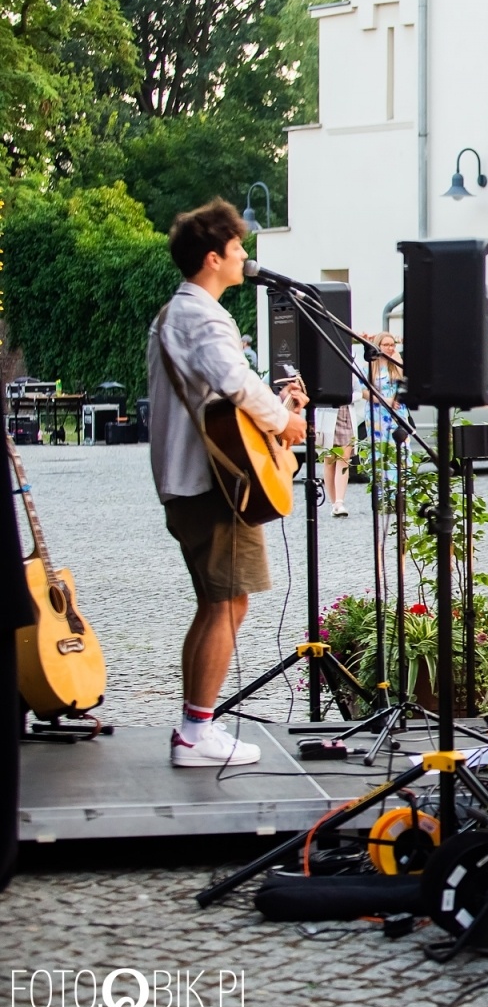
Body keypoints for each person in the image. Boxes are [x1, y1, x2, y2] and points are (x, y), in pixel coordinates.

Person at [147, 199, 308, 768]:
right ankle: (197, 733)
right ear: (213, 258)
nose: (246, 257)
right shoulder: (202, 315)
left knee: (215, 603)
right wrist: (285, 421)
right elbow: (235, 382)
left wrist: (275, 410)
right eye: (238, 248)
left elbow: (222, 401)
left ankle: (193, 727)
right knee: (229, 604)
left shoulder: (175, 315)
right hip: (212, 489)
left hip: (189, 483)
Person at [366, 331, 408, 451]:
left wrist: (398, 362)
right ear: (378, 346)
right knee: (379, 448)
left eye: (393, 345)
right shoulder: (370, 367)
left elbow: (405, 381)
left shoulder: (397, 364)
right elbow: (364, 392)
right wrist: (385, 400)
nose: (390, 348)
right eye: (386, 345)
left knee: (400, 448)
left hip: (397, 411)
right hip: (377, 411)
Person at [321, 405, 354, 517]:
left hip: (346, 412)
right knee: (329, 460)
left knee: (344, 458)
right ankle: (334, 503)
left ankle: (339, 502)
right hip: (327, 412)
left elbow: (358, 391)